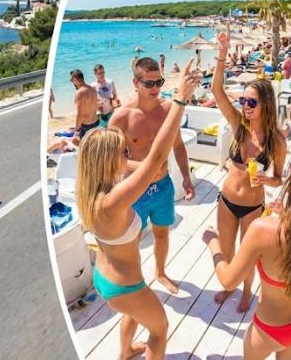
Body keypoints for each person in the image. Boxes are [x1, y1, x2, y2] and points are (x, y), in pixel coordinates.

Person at [77, 59, 202, 360]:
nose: (126, 156)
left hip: (105, 279)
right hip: (126, 287)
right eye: (122, 153)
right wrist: (181, 100)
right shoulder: (115, 199)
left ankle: (124, 354)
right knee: (159, 330)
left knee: (133, 314)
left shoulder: (93, 194)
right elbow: (156, 156)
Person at [204, 143, 291, 359]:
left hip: (270, 329)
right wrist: (286, 216)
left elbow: (228, 281)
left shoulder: (264, 230)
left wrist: (213, 242)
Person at [211, 27, 287, 312]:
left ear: (265, 104)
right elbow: (217, 92)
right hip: (227, 202)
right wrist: (221, 55)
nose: (244, 106)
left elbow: (280, 179)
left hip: (254, 206)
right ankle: (227, 285)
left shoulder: (277, 141)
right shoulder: (238, 126)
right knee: (228, 251)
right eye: (243, 101)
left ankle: (245, 292)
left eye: (251, 102)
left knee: (249, 254)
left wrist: (268, 179)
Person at [109, 56, 196, 294]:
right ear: (135, 83)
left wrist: (186, 178)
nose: (156, 88)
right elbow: (112, 160)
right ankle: (132, 281)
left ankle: (160, 273)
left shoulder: (169, 110)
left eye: (159, 82)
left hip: (163, 186)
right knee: (131, 239)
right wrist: (144, 167)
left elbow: (178, 146)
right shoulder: (121, 117)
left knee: (161, 232)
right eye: (149, 84)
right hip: (135, 191)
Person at [70, 69, 100, 139]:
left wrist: (77, 130)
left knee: (83, 147)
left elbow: (80, 115)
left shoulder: (80, 93)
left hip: (87, 126)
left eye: (72, 80)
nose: (72, 83)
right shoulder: (92, 89)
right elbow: (95, 106)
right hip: (96, 122)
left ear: (75, 79)